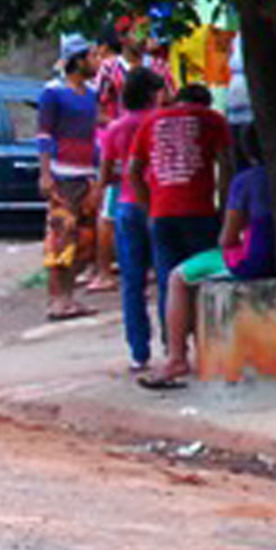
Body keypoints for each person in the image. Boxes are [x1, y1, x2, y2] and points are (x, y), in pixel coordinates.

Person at [139, 125, 270, 390]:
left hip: (252, 261)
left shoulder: (245, 181)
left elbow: (227, 239)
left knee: (178, 277)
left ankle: (176, 358)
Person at [128, 79, 234, 311]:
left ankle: (171, 342)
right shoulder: (213, 119)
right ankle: (204, 338)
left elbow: (133, 171)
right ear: (206, 103)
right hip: (200, 211)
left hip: (162, 213)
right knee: (206, 278)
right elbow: (226, 165)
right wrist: (225, 208)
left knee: (169, 283)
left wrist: (149, 209)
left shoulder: (151, 121)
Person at [95, 63, 168, 374]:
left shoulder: (116, 129)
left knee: (132, 282)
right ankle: (172, 344)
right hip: (161, 203)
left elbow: (106, 173)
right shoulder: (160, 124)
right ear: (152, 94)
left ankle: (139, 351)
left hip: (126, 204)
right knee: (167, 277)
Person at [35, 45, 102, 321]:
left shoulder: (92, 95)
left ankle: (69, 296)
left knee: (85, 240)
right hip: (62, 175)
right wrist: (46, 173)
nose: (97, 62)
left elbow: (95, 133)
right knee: (60, 236)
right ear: (78, 61)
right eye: (93, 57)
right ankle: (56, 299)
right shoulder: (52, 93)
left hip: (85, 174)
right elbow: (44, 134)